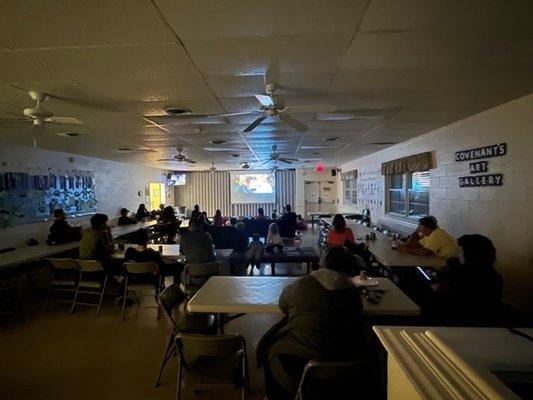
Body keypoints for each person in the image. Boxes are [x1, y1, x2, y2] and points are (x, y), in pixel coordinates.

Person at [256, 246, 367, 400]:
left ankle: (272, 394)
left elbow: (283, 304)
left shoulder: (300, 286)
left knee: (271, 348)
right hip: (344, 362)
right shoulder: (353, 292)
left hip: (298, 358)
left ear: (323, 262)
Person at [427, 234, 503, 321]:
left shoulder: (460, 272)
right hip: (487, 320)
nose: (459, 254)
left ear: (468, 253)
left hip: (454, 318)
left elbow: (440, 289)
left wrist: (431, 284)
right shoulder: (494, 274)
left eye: (461, 251)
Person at [79, 214, 127, 303]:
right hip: (97, 269)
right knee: (124, 267)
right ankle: (120, 296)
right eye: (106, 222)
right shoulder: (99, 235)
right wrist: (109, 232)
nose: (107, 224)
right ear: (101, 225)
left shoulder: (87, 232)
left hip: (84, 268)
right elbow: (110, 250)